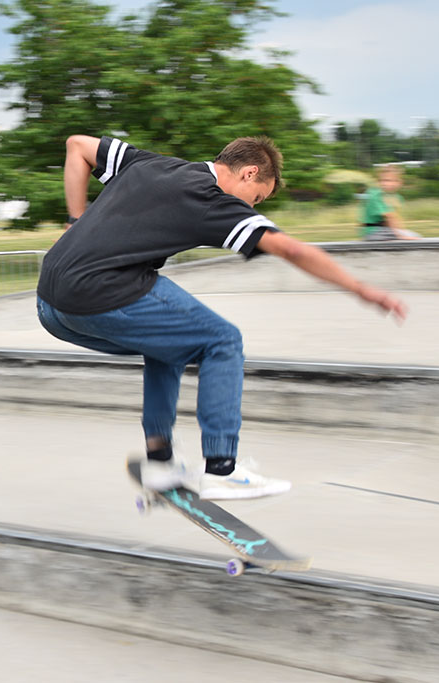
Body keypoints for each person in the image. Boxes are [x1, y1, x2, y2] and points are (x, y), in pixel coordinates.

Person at [37, 134, 407, 501]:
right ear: (248, 173)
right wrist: (361, 289)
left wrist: (75, 218)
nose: (254, 207)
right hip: (100, 292)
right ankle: (222, 469)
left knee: (169, 344)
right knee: (223, 340)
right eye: (258, 198)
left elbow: (77, 146)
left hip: (51, 304)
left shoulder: (151, 163)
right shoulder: (210, 200)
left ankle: (160, 459)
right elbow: (290, 249)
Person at [360, 165, 420, 241]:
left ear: (399, 182)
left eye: (390, 180)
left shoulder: (396, 197)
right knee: (413, 237)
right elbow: (390, 217)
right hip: (373, 232)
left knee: (412, 235)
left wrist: (402, 231)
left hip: (382, 230)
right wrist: (401, 236)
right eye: (383, 180)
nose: (385, 183)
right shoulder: (376, 194)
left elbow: (395, 219)